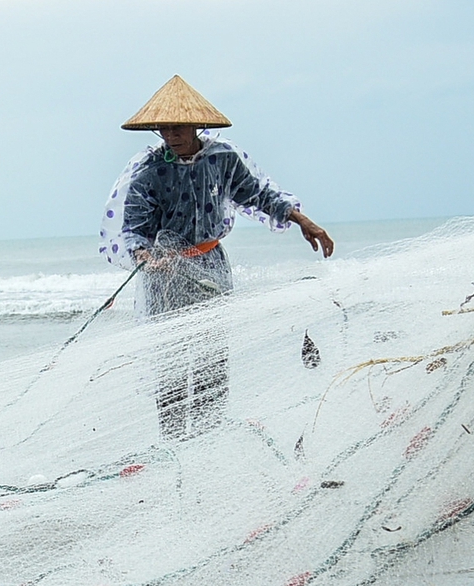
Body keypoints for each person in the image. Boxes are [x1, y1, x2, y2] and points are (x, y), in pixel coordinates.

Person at [100, 76, 334, 438]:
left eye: (178, 127)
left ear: (197, 125)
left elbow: (258, 193)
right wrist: (147, 255)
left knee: (212, 356)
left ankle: (209, 436)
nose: (171, 135)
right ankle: (174, 439)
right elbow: (133, 228)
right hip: (166, 275)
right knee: (173, 359)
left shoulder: (221, 159)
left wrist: (303, 220)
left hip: (211, 266)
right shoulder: (149, 171)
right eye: (163, 129)